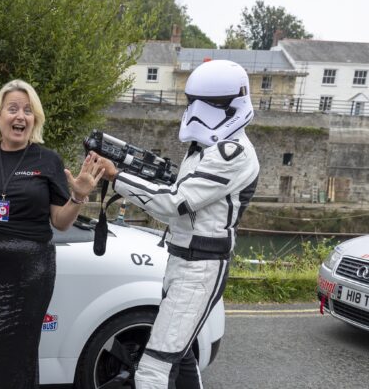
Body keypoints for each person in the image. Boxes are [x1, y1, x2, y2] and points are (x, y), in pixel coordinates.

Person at [96, 60, 260, 389]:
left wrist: (118, 178)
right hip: (184, 261)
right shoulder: (206, 149)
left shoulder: (232, 153)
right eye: (192, 103)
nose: (195, 111)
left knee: (153, 369)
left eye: (205, 104)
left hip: (200, 266)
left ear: (229, 105)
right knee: (181, 354)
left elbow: (175, 202)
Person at [0, 79, 104, 389]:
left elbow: (60, 222)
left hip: (30, 271)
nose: (21, 116)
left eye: (28, 111)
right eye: (13, 109)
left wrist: (79, 197)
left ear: (35, 119)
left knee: (19, 355)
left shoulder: (48, 160)